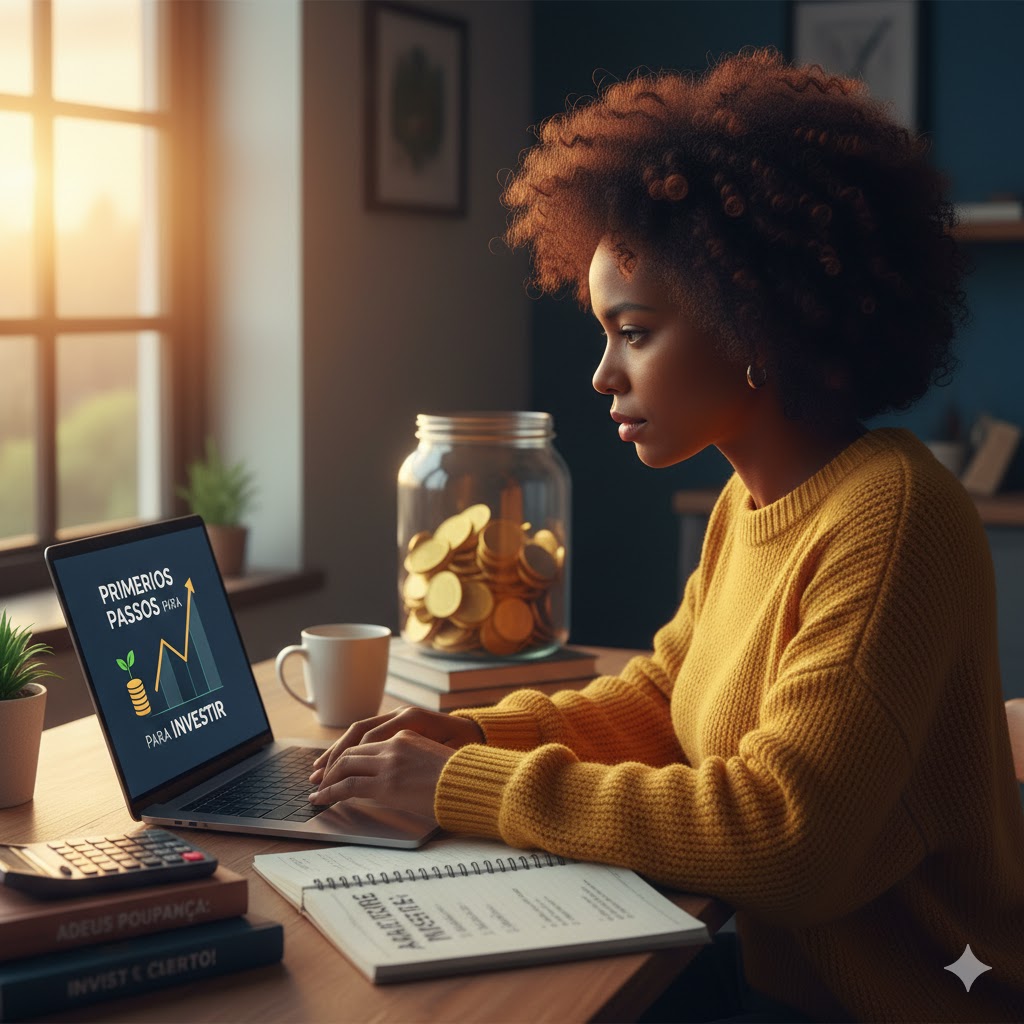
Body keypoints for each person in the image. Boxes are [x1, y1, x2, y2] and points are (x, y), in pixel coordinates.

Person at [309, 47, 1024, 1022]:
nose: (603, 373)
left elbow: (784, 837)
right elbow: (662, 700)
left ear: (754, 324)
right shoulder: (749, 502)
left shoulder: (892, 516)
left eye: (635, 332)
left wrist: (461, 783)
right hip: (787, 982)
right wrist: (468, 733)